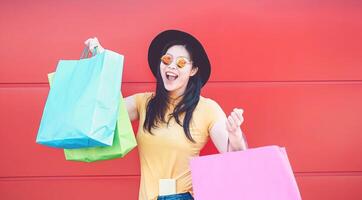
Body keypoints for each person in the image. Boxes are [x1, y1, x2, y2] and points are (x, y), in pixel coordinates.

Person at [85, 29, 248, 200]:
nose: (171, 66)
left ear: (193, 70)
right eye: (167, 59)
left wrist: (236, 136)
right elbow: (105, 111)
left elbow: (237, 160)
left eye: (181, 63)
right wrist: (102, 63)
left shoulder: (207, 108)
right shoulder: (144, 103)